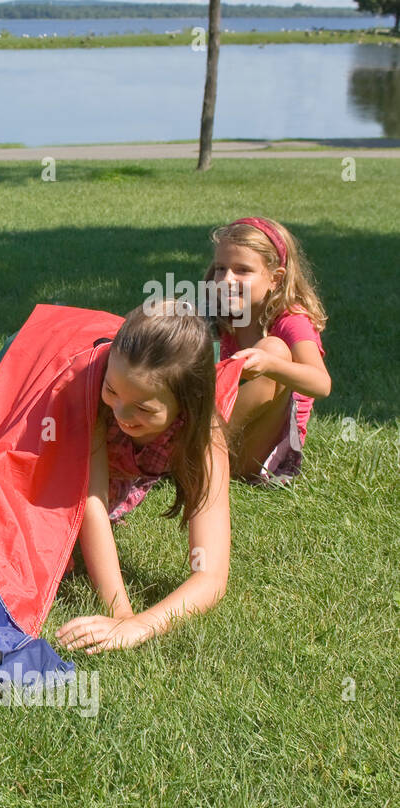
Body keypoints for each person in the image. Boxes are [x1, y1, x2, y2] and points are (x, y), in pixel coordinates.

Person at [57, 303, 232, 654]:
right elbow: (91, 501)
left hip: (113, 484)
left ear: (187, 405)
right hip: (65, 471)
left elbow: (211, 575)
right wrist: (119, 611)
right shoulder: (93, 397)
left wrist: (139, 625)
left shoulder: (204, 438)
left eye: (144, 408)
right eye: (113, 390)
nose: (121, 412)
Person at [205, 217, 331, 481]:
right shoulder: (219, 314)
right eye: (220, 268)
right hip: (223, 432)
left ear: (275, 278)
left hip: (258, 454)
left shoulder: (291, 320)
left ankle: (200, 451)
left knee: (274, 349)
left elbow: (321, 384)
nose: (227, 279)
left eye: (242, 270)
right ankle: (191, 448)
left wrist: (270, 365)